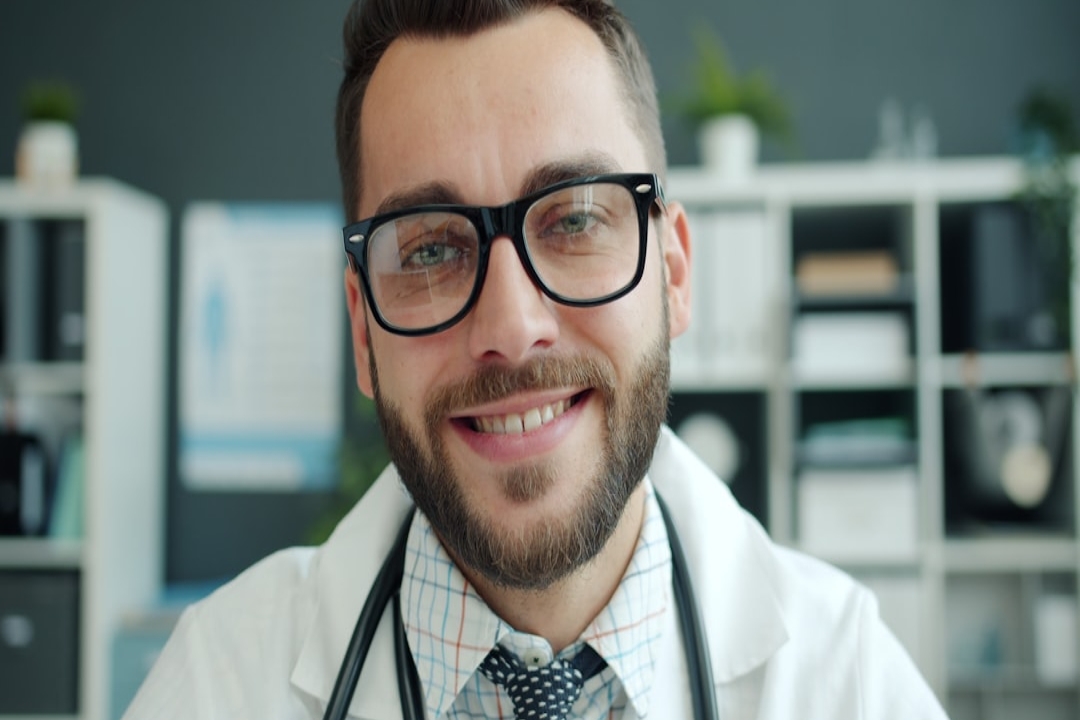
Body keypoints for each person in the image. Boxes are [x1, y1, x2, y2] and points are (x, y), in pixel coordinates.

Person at [125, 1, 949, 718]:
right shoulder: (217, 683)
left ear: (673, 272)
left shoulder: (849, 682)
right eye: (427, 250)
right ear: (362, 334)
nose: (512, 328)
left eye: (575, 220)